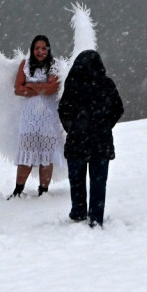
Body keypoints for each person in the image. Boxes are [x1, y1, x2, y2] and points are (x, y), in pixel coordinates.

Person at [58, 50, 124, 228]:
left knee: (77, 181)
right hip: (100, 141)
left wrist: (73, 127)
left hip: (77, 141)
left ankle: (78, 212)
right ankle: (96, 216)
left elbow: (63, 110)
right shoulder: (106, 83)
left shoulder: (73, 83)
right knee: (98, 182)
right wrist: (104, 125)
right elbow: (118, 108)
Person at [10, 35, 64, 198]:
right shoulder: (25, 64)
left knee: (47, 155)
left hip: (49, 117)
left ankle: (43, 191)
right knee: (26, 153)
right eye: (37, 48)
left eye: (43, 48)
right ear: (32, 50)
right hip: (29, 117)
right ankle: (18, 190)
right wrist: (41, 88)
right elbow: (17, 89)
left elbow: (51, 89)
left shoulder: (54, 65)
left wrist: (31, 85)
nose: (40, 51)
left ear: (48, 49)